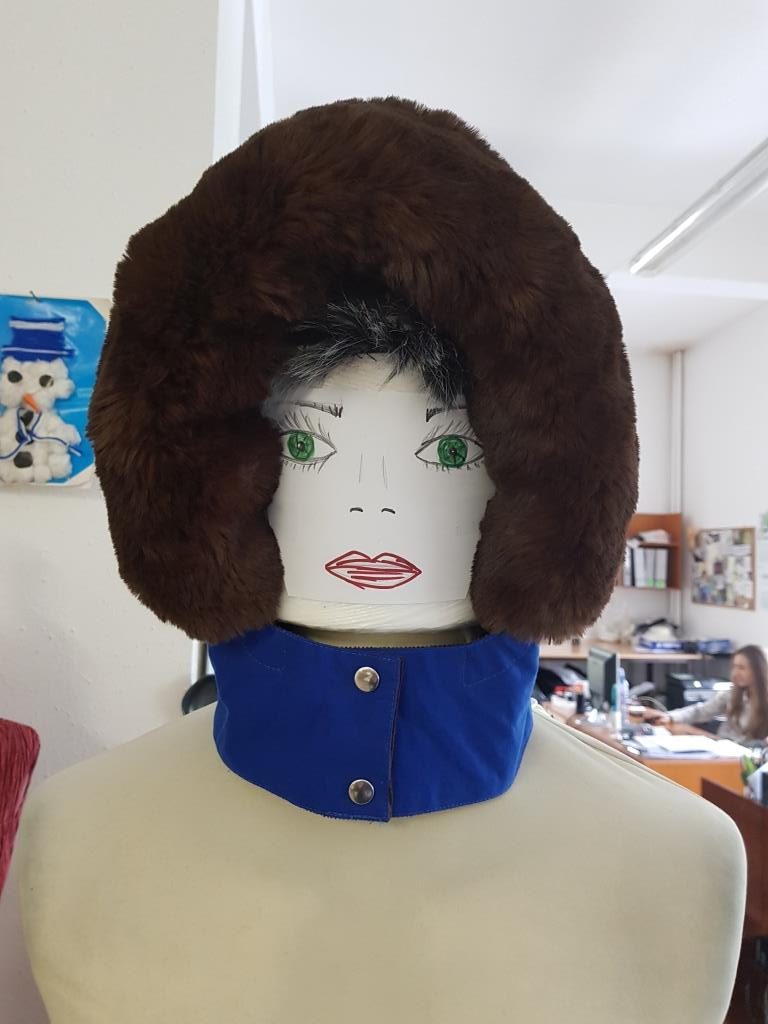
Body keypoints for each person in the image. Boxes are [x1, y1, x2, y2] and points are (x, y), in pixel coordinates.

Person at [647, 645, 768, 744]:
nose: (735, 673)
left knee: (681, 730)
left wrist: (696, 733)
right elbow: (701, 711)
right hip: (723, 747)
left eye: (741, 668)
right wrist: (670, 717)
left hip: (744, 755)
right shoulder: (733, 693)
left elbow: (752, 746)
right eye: (734, 667)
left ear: (758, 670)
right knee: (673, 729)